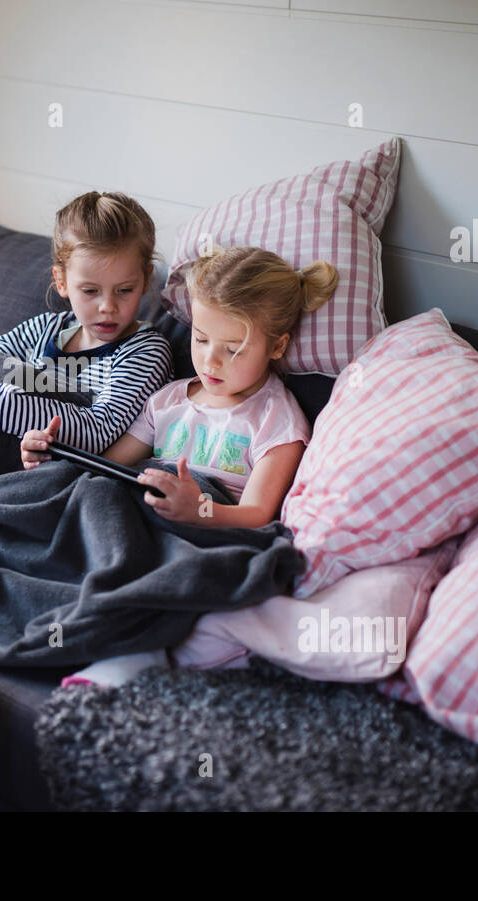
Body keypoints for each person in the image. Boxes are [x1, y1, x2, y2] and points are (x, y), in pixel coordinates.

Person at [20, 245, 339, 686]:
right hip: (134, 509)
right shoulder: (168, 400)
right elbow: (108, 469)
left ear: (277, 346)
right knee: (82, 498)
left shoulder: (276, 419)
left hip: (199, 528)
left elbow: (257, 515)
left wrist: (198, 512)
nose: (210, 360)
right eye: (202, 339)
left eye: (232, 349)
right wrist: (53, 455)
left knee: (166, 572)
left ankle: (131, 651)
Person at [0, 192, 173, 453]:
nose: (108, 307)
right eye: (90, 291)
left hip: (46, 463)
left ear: (145, 279)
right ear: (62, 281)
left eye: (124, 290)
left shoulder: (147, 350)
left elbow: (98, 431)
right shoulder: (46, 328)